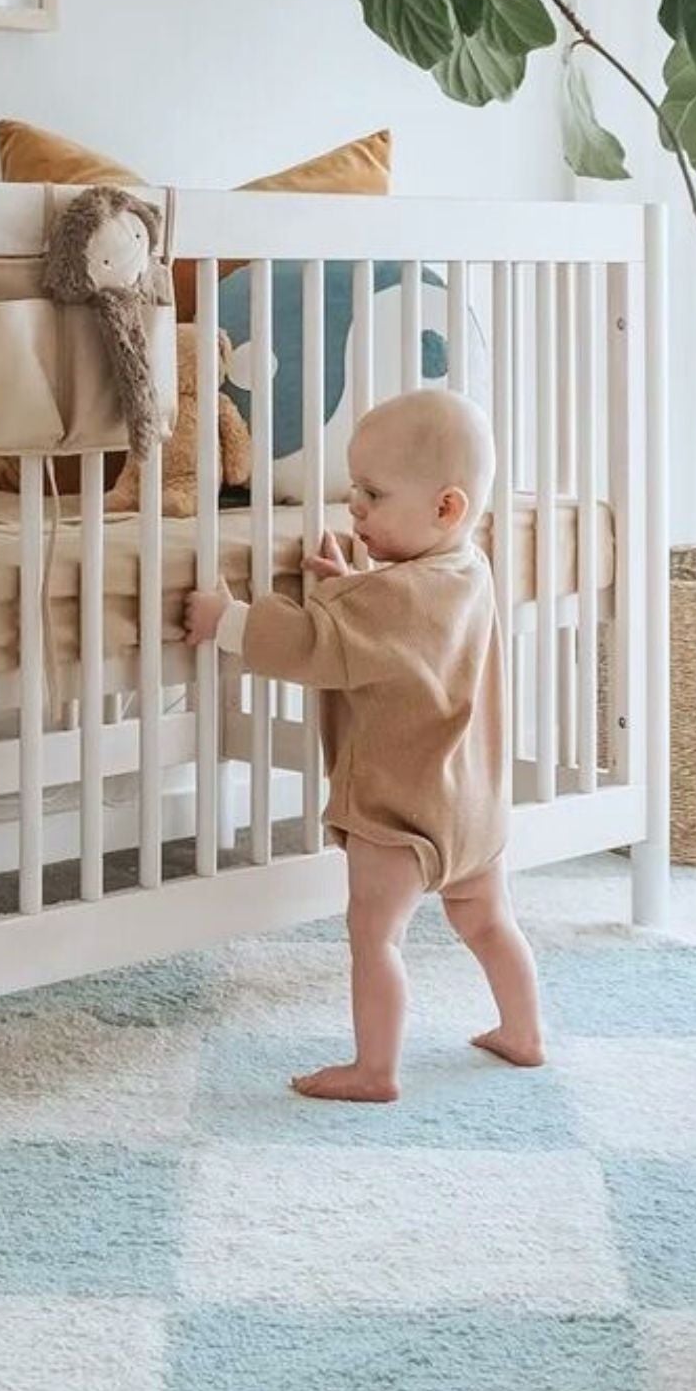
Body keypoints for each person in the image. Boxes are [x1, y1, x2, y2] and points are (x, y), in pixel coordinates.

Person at [183, 386, 543, 1099]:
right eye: (355, 493)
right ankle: (524, 1031)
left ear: (447, 508)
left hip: (401, 813)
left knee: (375, 937)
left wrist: (228, 621)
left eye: (372, 495)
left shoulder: (398, 599)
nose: (355, 510)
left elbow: (319, 644)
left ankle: (374, 1069)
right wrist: (355, 585)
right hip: (474, 812)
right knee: (490, 922)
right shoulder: (467, 572)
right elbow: (396, 638)